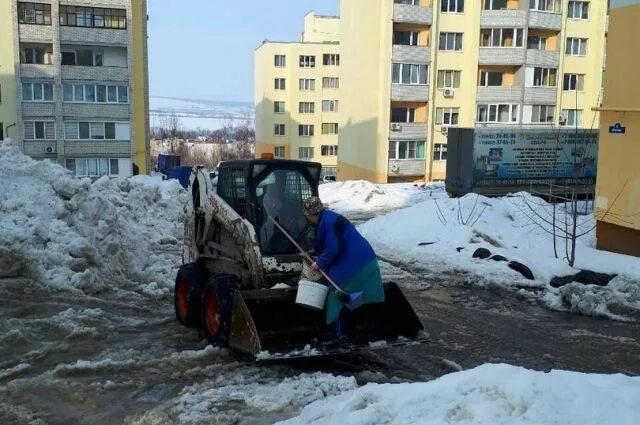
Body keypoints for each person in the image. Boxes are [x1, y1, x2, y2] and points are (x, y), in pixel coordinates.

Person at [302, 196, 385, 329]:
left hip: (354, 262)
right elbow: (328, 242)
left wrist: (319, 263)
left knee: (335, 293)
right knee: (358, 295)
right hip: (366, 258)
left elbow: (333, 248)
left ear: (309, 215)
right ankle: (360, 327)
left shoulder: (328, 222)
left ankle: (338, 335)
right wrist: (314, 251)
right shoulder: (328, 217)